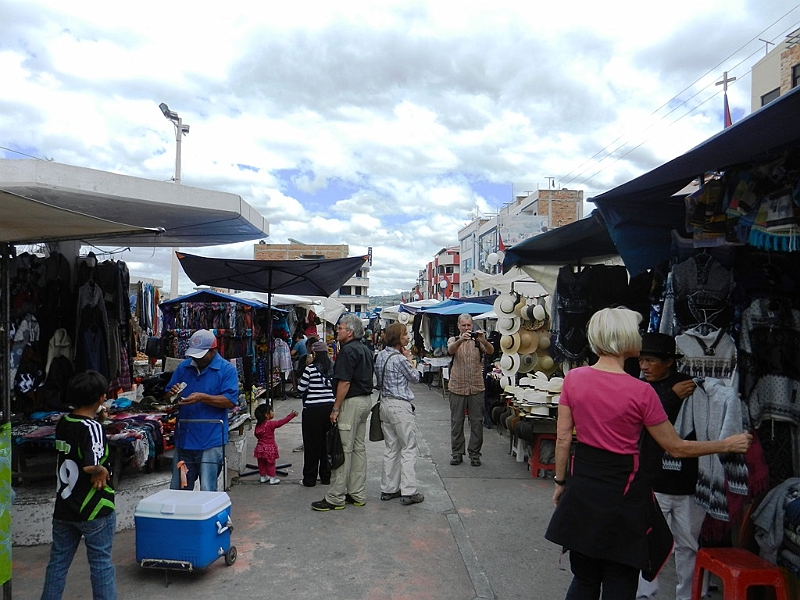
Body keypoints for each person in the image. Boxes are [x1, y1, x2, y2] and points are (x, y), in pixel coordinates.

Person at [545, 307, 752, 600]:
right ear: (624, 338)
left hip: (584, 489)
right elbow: (676, 447)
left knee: (585, 578)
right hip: (625, 495)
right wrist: (726, 444)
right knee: (620, 578)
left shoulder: (575, 379)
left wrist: (560, 482)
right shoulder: (641, 392)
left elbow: (564, 438)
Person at [636, 333, 701, 600]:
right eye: (641, 361)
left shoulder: (690, 387)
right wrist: (670, 397)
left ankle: (686, 596)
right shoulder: (642, 389)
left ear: (669, 362)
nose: (644, 367)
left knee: (688, 545)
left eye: (650, 360)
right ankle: (645, 595)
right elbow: (640, 419)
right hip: (654, 480)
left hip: (689, 481)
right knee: (649, 541)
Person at [41, 370, 117, 600]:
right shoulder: (92, 428)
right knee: (101, 564)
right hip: (93, 508)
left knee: (58, 563)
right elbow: (89, 465)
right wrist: (101, 470)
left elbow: (80, 442)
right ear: (101, 398)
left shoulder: (65, 422)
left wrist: (98, 420)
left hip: (65, 508)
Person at [311, 314, 374, 511]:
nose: (337, 330)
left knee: (342, 449)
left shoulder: (347, 351)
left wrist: (336, 408)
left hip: (352, 402)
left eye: (340, 328)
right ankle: (357, 493)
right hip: (365, 401)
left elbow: (344, 382)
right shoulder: (364, 349)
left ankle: (336, 496)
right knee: (358, 449)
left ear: (350, 332)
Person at [166, 329, 238, 492]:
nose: (195, 359)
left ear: (213, 351)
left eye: (200, 355)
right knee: (180, 487)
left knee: (207, 488)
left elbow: (230, 401)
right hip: (185, 438)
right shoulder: (184, 367)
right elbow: (168, 394)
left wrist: (202, 398)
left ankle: (207, 518)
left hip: (210, 439)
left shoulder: (226, 370)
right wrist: (172, 394)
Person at [375, 322, 424, 505]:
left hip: (385, 404)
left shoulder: (380, 356)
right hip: (400, 405)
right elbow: (416, 378)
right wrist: (410, 359)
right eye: (405, 335)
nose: (408, 337)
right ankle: (409, 491)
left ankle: (388, 488)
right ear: (397, 338)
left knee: (391, 448)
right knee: (409, 448)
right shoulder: (401, 359)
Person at [447, 313, 494, 466]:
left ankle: (475, 454)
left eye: (469, 325)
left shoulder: (477, 341)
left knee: (476, 423)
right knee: (456, 422)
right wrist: (461, 339)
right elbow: (450, 350)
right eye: (464, 325)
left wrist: (483, 340)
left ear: (472, 325)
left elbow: (491, 351)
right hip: (457, 386)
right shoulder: (454, 340)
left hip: (476, 386)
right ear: (459, 326)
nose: (467, 328)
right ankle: (457, 453)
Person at [296, 340, 335, 487]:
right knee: (327, 444)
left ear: (315, 353)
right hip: (330, 409)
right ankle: (326, 477)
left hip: (312, 410)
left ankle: (310, 479)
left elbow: (301, 389)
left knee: (312, 445)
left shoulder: (310, 369)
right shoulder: (333, 368)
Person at [253, 403, 298, 484]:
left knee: (261, 463)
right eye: (271, 411)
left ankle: (263, 477)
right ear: (267, 415)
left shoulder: (258, 425)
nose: (273, 412)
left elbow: (256, 434)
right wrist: (291, 416)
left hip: (259, 447)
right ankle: (272, 478)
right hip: (269, 448)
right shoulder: (270, 424)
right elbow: (281, 422)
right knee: (271, 463)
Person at [290, 332, 308, 396]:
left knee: (298, 374)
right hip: (308, 359)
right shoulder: (306, 341)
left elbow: (292, 353)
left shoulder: (298, 343)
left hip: (302, 360)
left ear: (297, 337)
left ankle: (299, 390)